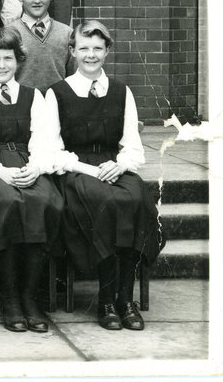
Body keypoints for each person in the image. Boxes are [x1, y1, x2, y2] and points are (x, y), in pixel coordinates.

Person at [46, 21, 162, 332]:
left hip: (114, 165)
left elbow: (133, 146)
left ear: (107, 51)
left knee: (137, 200)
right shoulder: (57, 93)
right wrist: (91, 170)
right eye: (83, 48)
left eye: (97, 48)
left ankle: (126, 299)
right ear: (72, 51)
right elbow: (52, 151)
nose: (91, 55)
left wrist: (120, 165)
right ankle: (106, 300)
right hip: (76, 170)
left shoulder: (122, 91)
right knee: (104, 202)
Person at [0, 27, 64, 333]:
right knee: (6, 202)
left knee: (43, 201)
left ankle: (29, 296)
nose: (2, 65)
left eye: (8, 58)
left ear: (18, 61)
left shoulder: (33, 96)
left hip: (26, 164)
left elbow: (44, 140)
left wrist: (36, 167)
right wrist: (1, 172)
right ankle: (10, 298)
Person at [10, 0, 74, 91]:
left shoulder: (67, 33)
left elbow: (73, 77)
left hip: (57, 100)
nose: (37, 0)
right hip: (21, 101)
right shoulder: (9, 32)